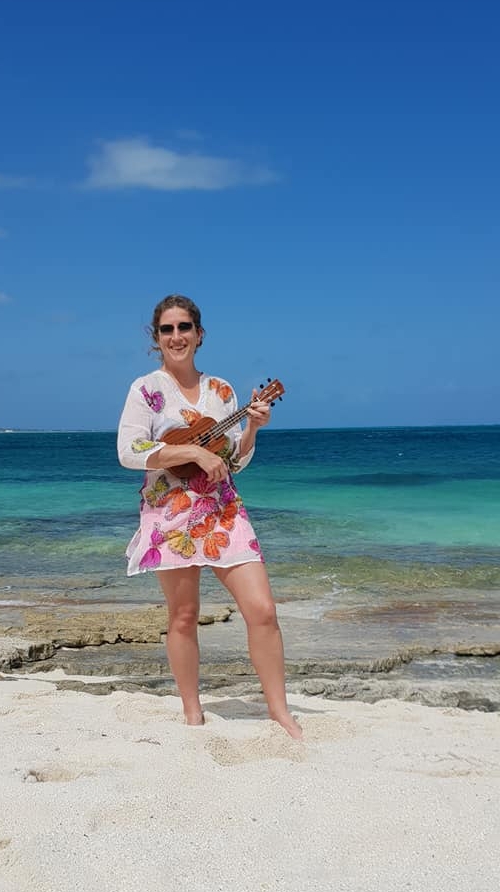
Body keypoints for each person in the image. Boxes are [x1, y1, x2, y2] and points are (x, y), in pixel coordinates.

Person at [117, 294, 302, 739]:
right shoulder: (146, 389)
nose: (176, 336)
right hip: (171, 514)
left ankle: (279, 712)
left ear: (199, 335)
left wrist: (253, 426)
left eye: (184, 328)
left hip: (222, 510)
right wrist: (192, 451)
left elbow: (232, 461)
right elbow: (129, 452)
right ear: (156, 338)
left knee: (262, 609)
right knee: (183, 615)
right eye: (167, 329)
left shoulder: (222, 391)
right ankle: (192, 712)